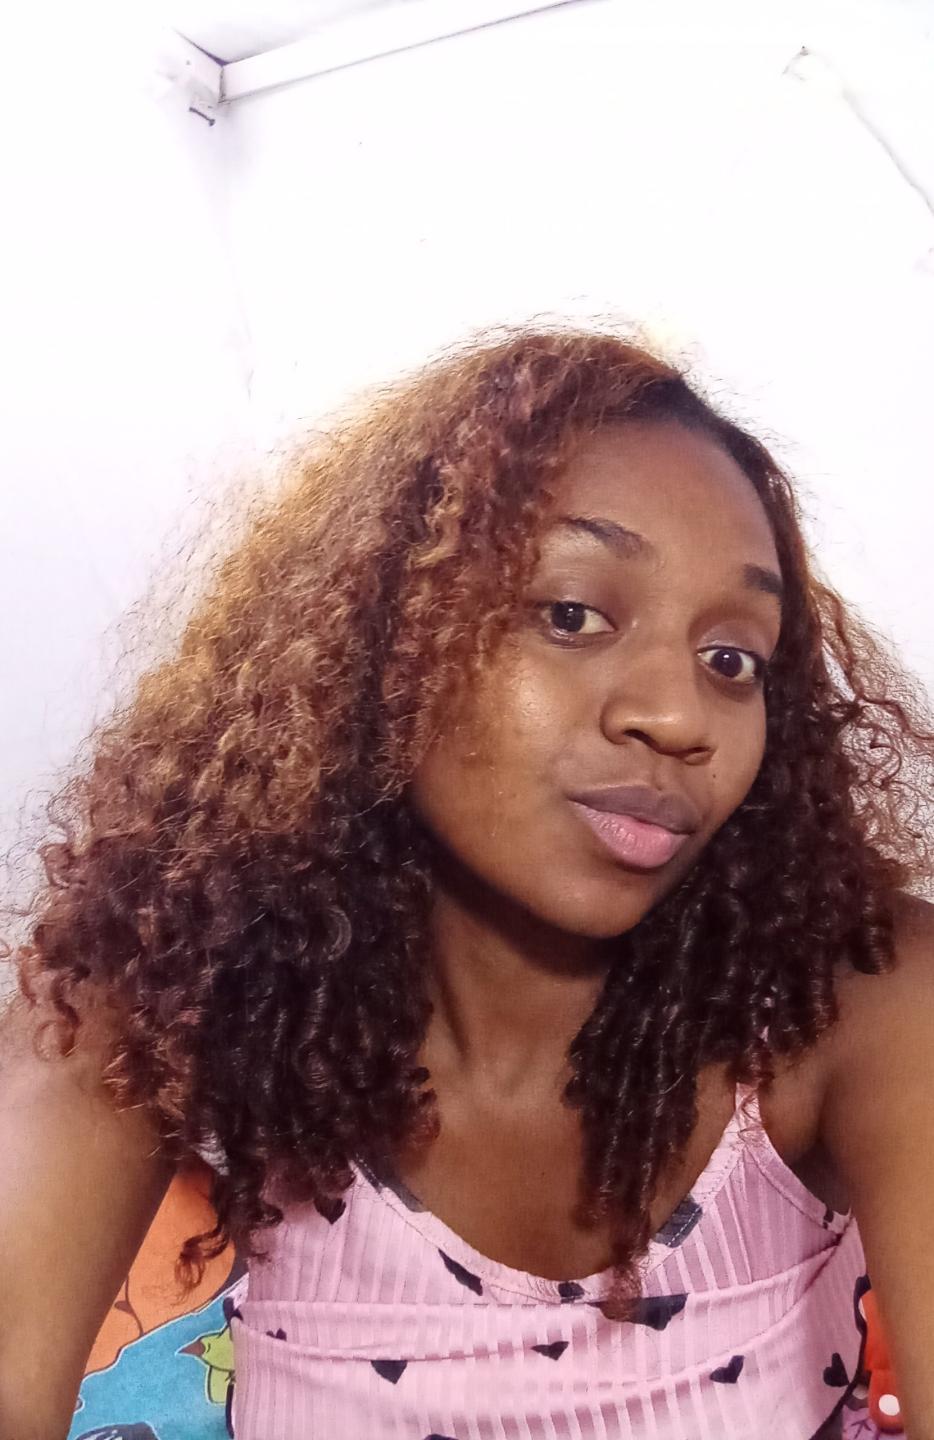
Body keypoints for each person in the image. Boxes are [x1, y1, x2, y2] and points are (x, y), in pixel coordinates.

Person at [2, 326, 933, 1440]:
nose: (679, 716)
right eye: (572, 615)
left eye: (731, 658)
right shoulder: (166, 975)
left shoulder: (862, 996)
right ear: (383, 639)